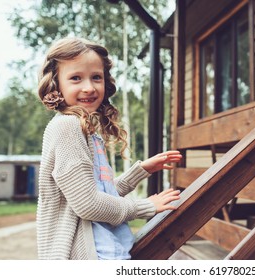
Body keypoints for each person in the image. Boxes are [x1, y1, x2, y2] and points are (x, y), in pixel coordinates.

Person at [36, 37, 182, 260]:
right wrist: (144, 207)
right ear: (56, 84)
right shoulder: (66, 127)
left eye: (96, 77)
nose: (89, 87)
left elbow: (100, 193)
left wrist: (140, 171)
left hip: (107, 250)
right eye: (76, 78)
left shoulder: (85, 130)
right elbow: (88, 205)